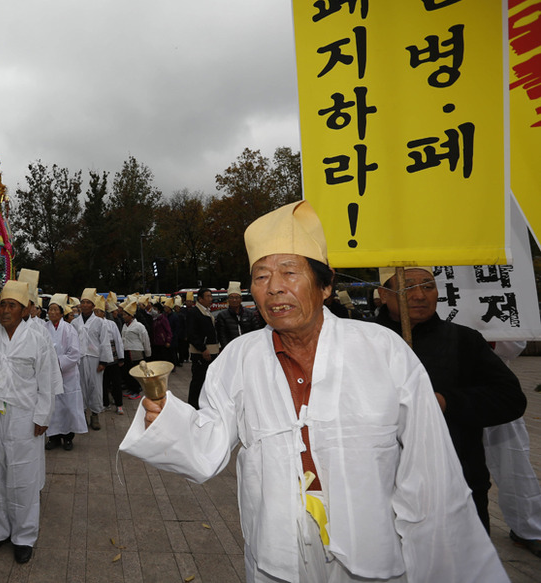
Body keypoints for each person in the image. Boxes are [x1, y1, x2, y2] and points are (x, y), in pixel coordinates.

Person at [120, 200, 509, 582]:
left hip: (371, 548)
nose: (274, 288)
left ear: (324, 286)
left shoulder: (383, 350)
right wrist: (167, 419)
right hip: (278, 550)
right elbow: (209, 443)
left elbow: (429, 471)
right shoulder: (239, 358)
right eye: (261, 276)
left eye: (289, 272)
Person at [375, 266, 527, 533]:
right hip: (383, 488)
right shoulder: (363, 341)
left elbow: (510, 398)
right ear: (384, 294)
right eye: (408, 287)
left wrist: (446, 402)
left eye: (428, 285)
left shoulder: (464, 340)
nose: (420, 295)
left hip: (458, 482)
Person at [0, 280, 59, 564]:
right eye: (3, 304)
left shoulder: (37, 338)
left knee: (23, 478)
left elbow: (48, 380)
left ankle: (23, 536)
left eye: (12, 306)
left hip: (24, 416)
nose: (6, 310)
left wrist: (43, 415)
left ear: (23, 310)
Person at [484, 341, 541, 557]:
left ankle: (528, 528)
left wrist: (481, 335)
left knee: (512, 459)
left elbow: (514, 345)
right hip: (437, 387)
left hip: (491, 384)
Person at [44, 295, 86, 451]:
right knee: (52, 407)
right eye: (50, 309)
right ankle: (53, 437)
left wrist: (56, 363)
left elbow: (74, 354)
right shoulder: (43, 328)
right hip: (49, 375)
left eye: (55, 310)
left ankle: (68, 437)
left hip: (67, 375)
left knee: (68, 407)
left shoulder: (69, 329)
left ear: (61, 313)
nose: (52, 312)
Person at [72, 288, 112, 431]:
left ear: (93, 306)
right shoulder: (75, 323)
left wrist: (103, 361)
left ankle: (95, 415)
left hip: (95, 359)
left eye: (88, 302)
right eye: (82, 302)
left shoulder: (100, 323)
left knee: (95, 387)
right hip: (79, 359)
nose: (84, 305)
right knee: (80, 387)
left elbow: (105, 342)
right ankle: (81, 414)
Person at [185, 287, 218, 409]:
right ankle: (193, 406)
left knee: (208, 381)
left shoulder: (207, 311)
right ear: (200, 299)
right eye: (208, 296)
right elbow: (192, 334)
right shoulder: (194, 312)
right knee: (198, 381)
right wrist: (203, 348)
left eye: (211, 296)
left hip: (212, 351)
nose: (211, 299)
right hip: (201, 353)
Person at [95, 295, 126, 415]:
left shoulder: (111, 324)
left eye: (99, 311)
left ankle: (119, 404)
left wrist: (121, 357)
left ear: (103, 313)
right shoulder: (92, 325)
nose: (97, 313)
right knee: (103, 382)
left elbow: (118, 340)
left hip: (113, 357)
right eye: (95, 311)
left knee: (116, 382)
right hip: (98, 356)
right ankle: (105, 403)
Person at [214, 281, 262, 348]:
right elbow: (222, 336)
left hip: (248, 347)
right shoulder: (222, 316)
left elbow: (256, 332)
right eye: (231, 297)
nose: (234, 300)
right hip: (231, 348)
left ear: (241, 299)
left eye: (237, 297)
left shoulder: (250, 314)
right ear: (228, 300)